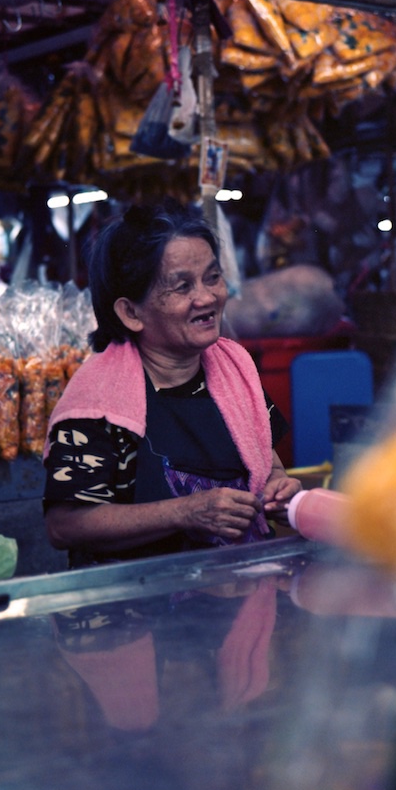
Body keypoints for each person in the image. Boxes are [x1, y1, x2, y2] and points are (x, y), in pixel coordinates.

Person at [43, 201, 302, 567]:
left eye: (212, 277)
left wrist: (279, 490)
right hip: (135, 607)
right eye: (182, 287)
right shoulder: (98, 399)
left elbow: (268, 466)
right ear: (131, 312)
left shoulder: (236, 369)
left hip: (234, 596)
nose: (208, 297)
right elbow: (64, 525)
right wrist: (186, 512)